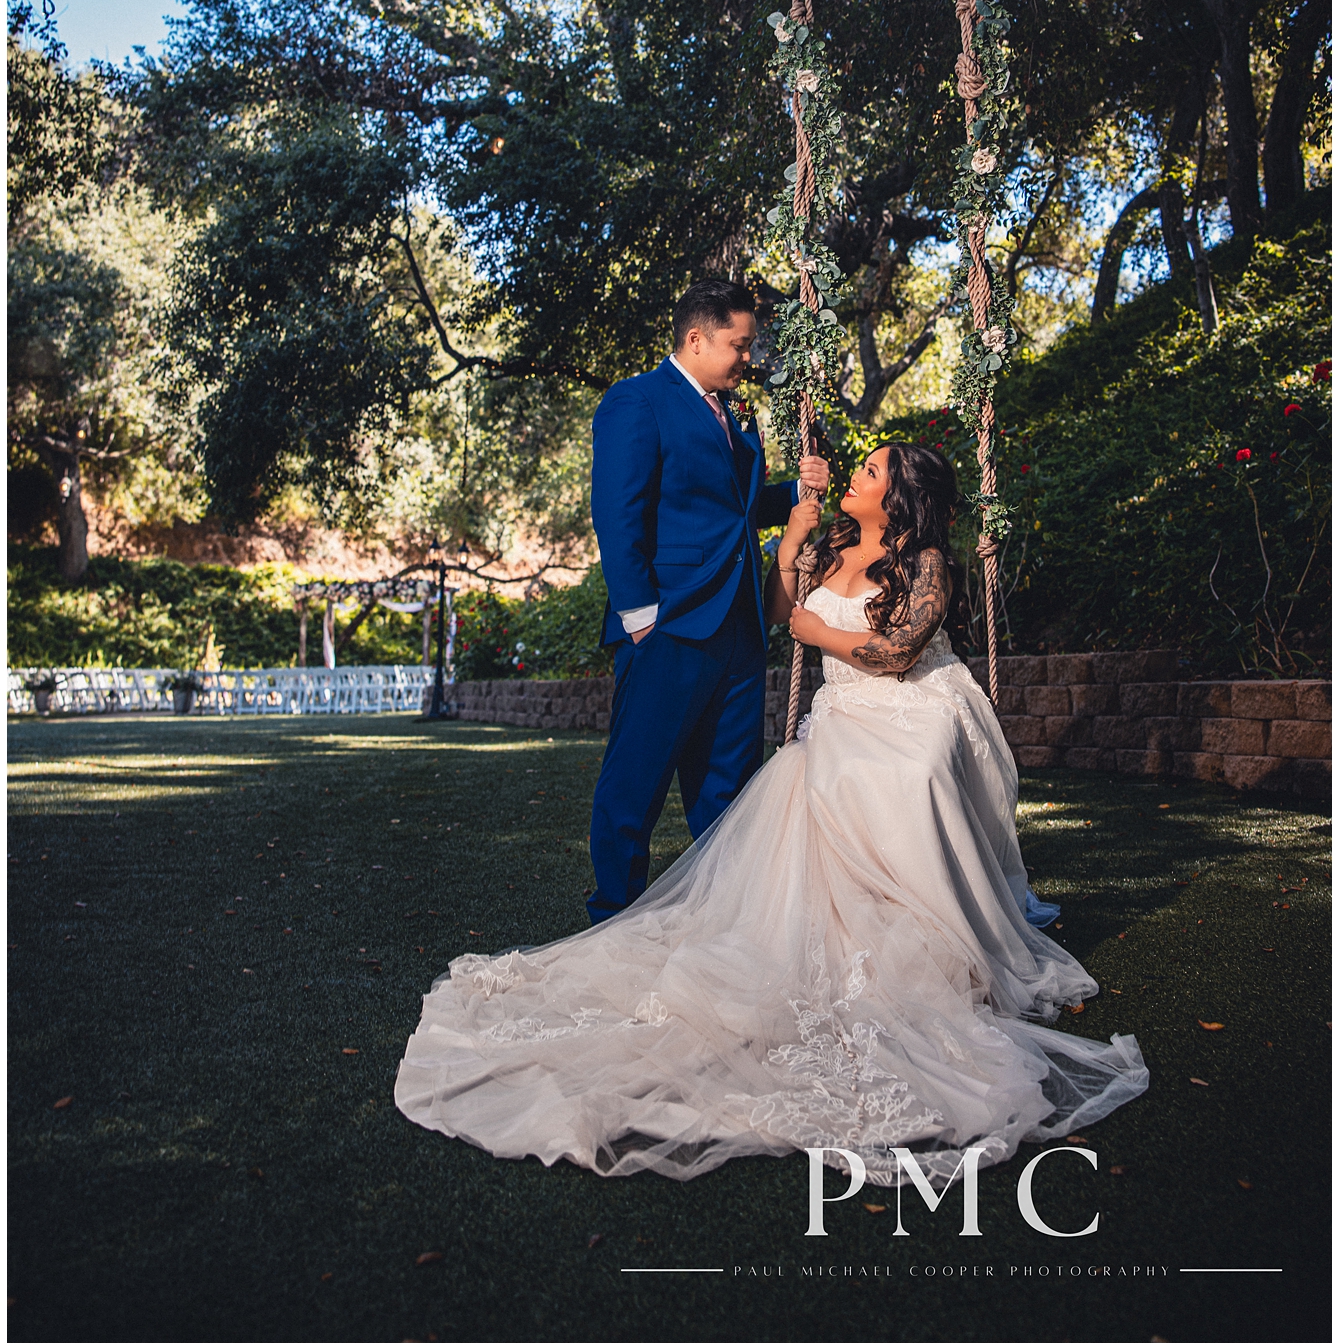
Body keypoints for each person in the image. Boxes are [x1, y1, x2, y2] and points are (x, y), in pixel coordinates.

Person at [395, 442, 1148, 1186]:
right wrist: (789, 543)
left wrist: (818, 632)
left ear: (899, 497)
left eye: (872, 471)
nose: (856, 475)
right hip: (844, 709)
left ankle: (922, 920)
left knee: (903, 771)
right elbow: (780, 612)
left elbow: (895, 652)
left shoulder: (925, 564)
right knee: (814, 775)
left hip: (913, 704)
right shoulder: (831, 545)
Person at [582, 278, 829, 923]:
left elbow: (734, 510)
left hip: (740, 625)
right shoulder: (635, 402)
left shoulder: (734, 414)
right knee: (635, 783)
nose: (748, 357)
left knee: (731, 789)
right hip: (668, 626)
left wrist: (794, 493)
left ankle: (728, 923)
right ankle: (613, 916)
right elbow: (618, 515)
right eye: (738, 345)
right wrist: (641, 619)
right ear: (696, 339)